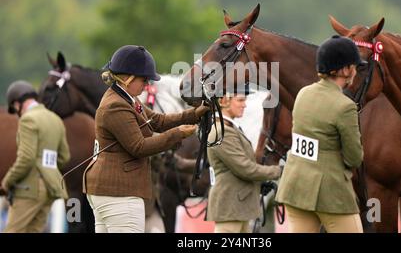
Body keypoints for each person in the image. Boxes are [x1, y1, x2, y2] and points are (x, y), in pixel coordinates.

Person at [82, 45, 209, 233]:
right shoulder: (115, 106)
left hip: (111, 191)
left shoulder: (127, 98)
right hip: (119, 192)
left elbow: (156, 121)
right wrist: (178, 134)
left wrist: (194, 114)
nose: (147, 84)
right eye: (144, 79)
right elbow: (139, 147)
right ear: (128, 78)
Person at [275, 35, 365, 233]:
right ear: (344, 70)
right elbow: (354, 157)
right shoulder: (345, 106)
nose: (356, 70)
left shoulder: (303, 94)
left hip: (296, 186)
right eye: (354, 65)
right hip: (330, 193)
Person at [206, 86, 282, 233]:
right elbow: (246, 168)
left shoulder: (230, 128)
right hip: (230, 205)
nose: (244, 104)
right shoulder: (223, 132)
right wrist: (279, 171)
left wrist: (261, 182)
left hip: (238, 206)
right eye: (240, 100)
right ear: (223, 101)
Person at [1, 80, 71, 233]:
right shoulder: (55, 119)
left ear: (17, 103)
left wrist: (7, 182)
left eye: (14, 108)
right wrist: (47, 169)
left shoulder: (28, 119)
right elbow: (64, 157)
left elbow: (26, 158)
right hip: (50, 188)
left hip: (29, 188)